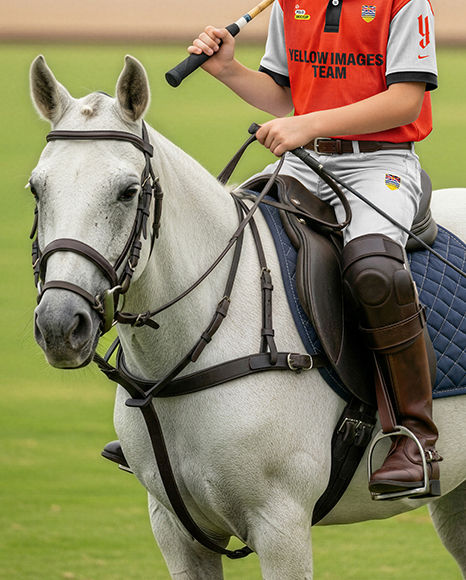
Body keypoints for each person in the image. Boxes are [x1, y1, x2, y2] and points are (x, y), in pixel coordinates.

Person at [187, 0, 442, 498]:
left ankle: (416, 439)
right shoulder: (291, 4)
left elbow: (404, 102)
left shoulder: (405, 3)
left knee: (374, 272)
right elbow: (287, 98)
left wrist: (310, 124)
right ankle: (174, 420)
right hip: (306, 162)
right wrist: (228, 70)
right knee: (224, 234)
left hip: (379, 164)